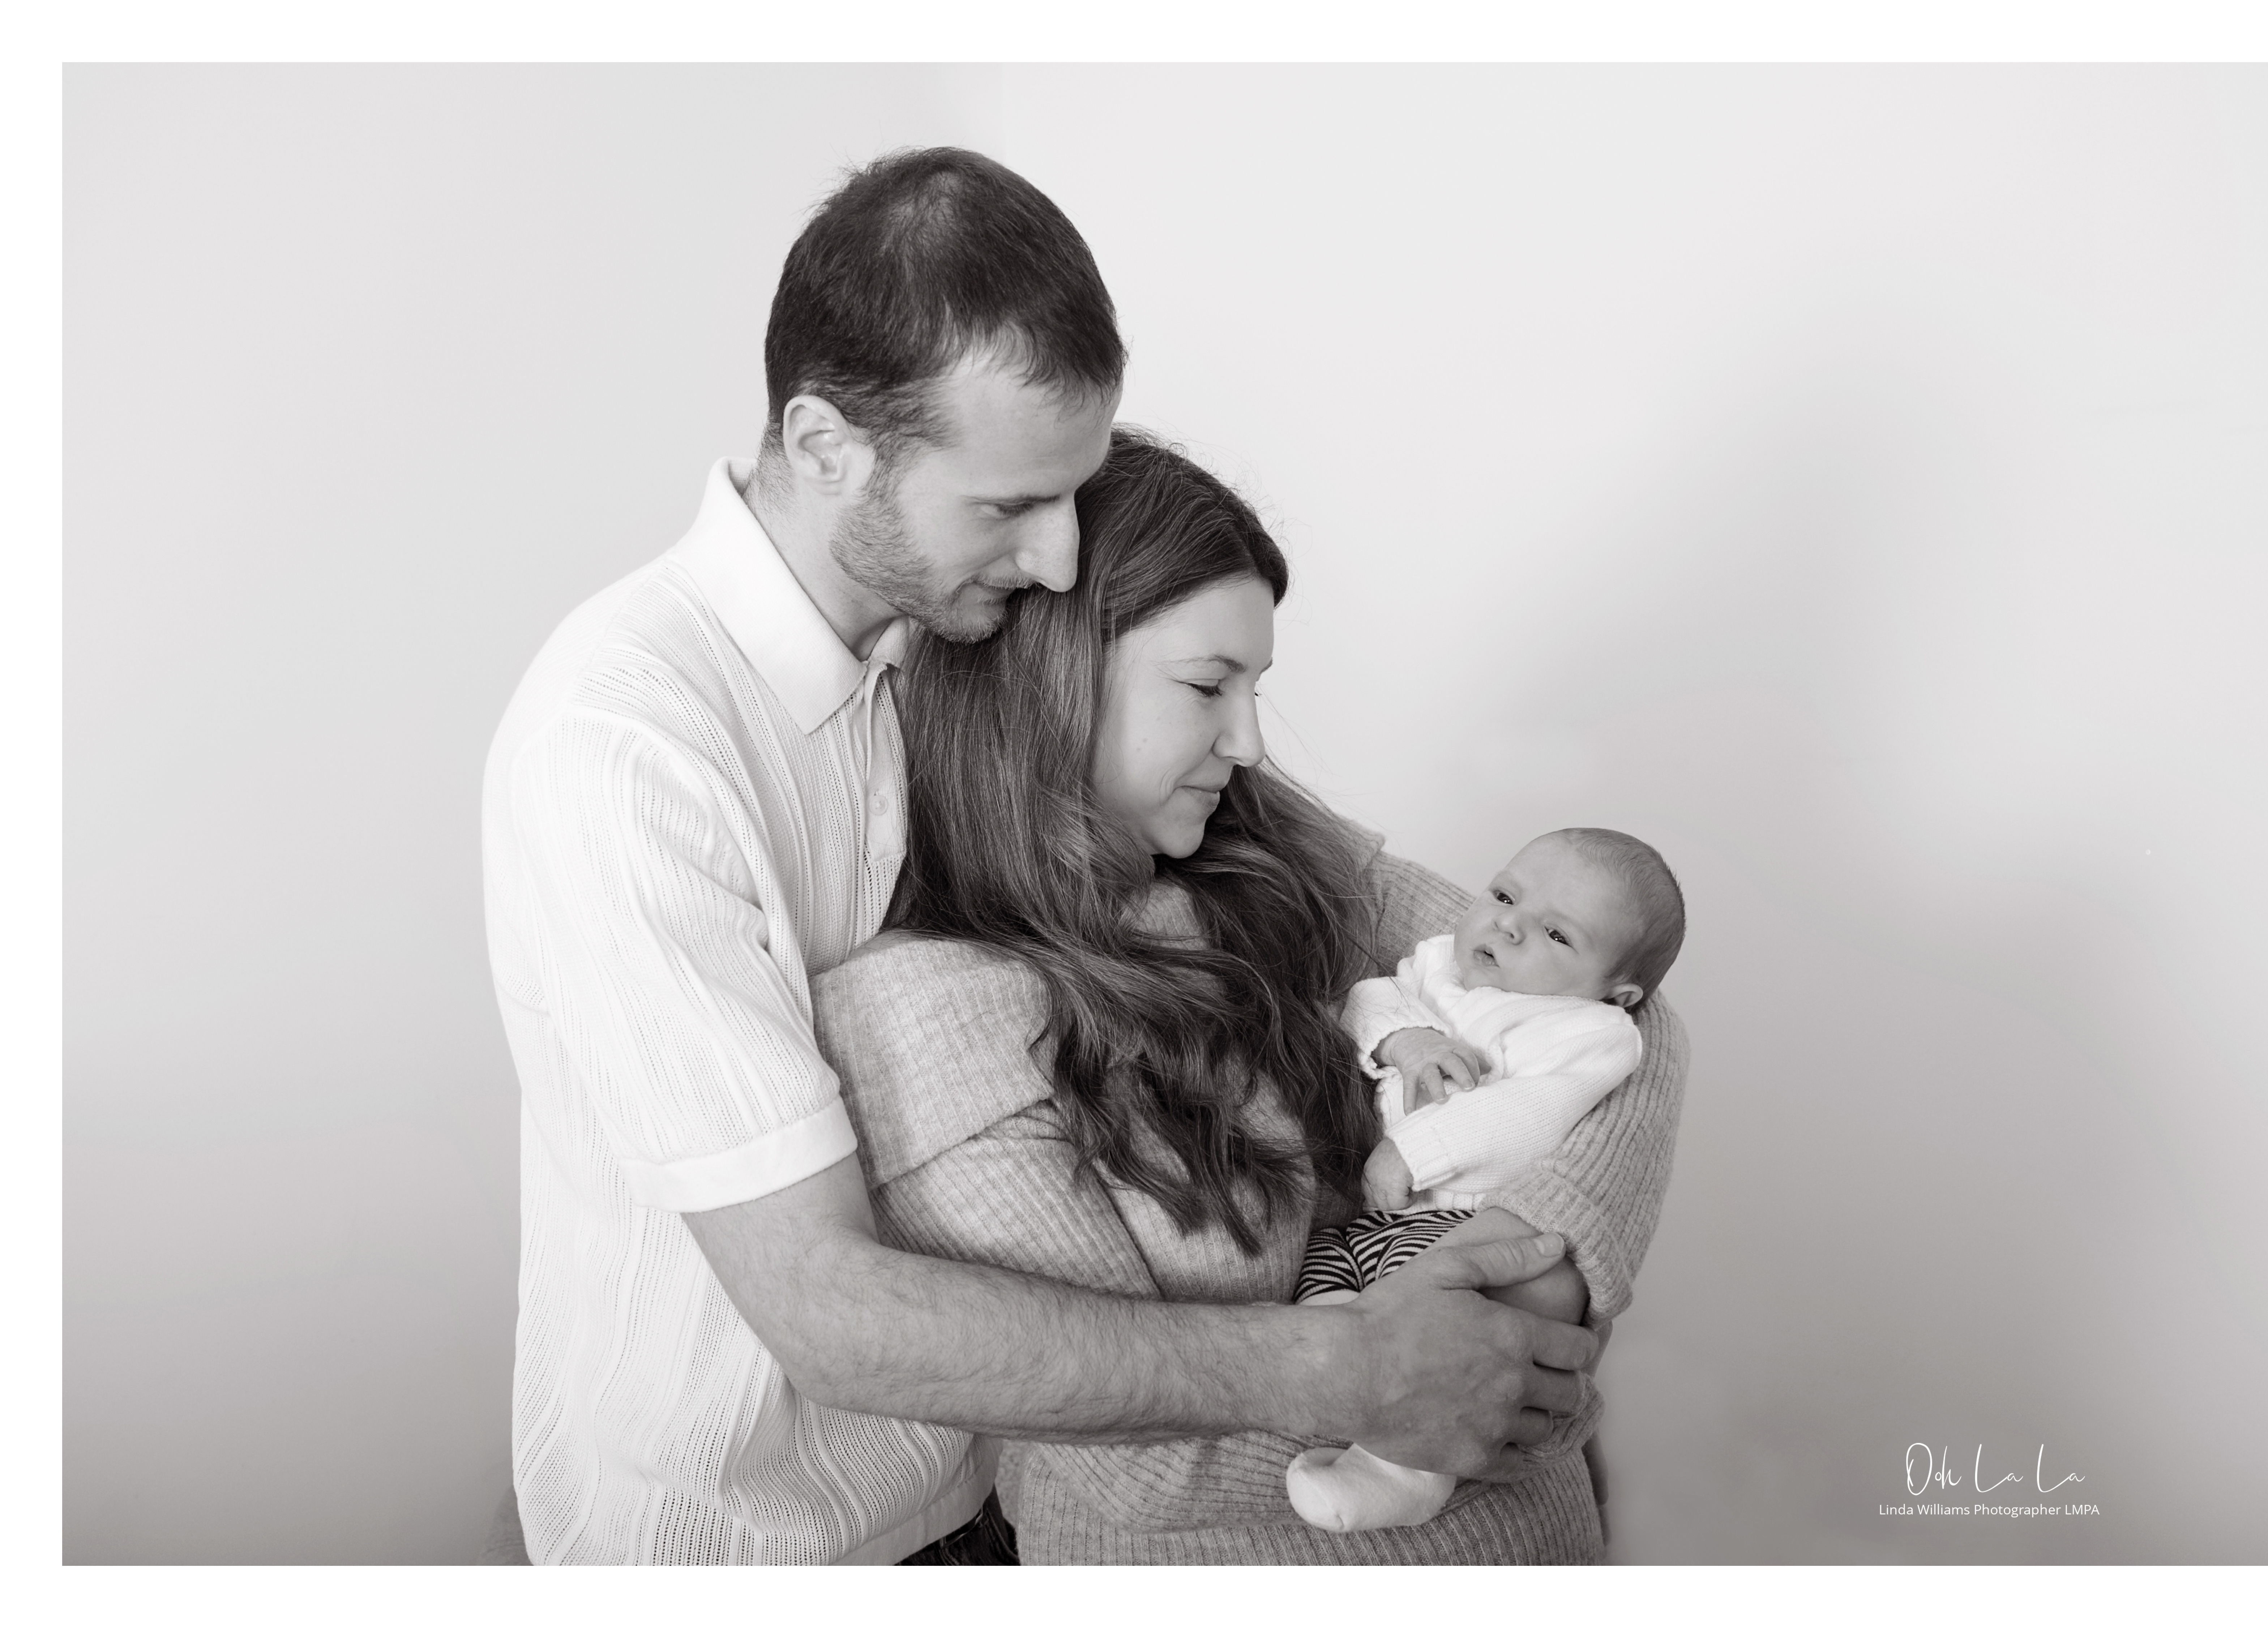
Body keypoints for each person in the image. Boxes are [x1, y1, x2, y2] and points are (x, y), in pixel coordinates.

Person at [481, 147, 1611, 1565]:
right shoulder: (628, 751)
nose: (1066, 557)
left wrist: (1557, 1218)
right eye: (1012, 505)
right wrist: (1358, 1368)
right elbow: (822, 1306)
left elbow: (1590, 973)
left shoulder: (972, 637)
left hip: (994, 1484)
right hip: (746, 1538)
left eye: (1073, 492)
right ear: (826, 447)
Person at [811, 430, 1690, 1562]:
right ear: (1049, 687)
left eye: (1257, 685)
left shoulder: (1257, 835)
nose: (1251, 740)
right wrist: (1395, 1378)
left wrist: (1537, 1296)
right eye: (1206, 686)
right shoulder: (929, 1019)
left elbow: (1624, 1011)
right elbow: (1124, 1463)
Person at [1288, 826, 1689, 1532]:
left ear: (1617, 992)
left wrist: (1414, 1152)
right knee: (1322, 1282)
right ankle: (1325, 1373)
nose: (1508, 922)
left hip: (1456, 1222)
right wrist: (1408, 1039)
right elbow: (1368, 998)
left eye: (1556, 935)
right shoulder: (1438, 963)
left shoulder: (1589, 1034)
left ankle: (1402, 1470)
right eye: (1504, 893)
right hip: (1360, 1215)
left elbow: (1525, 1116)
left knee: (1446, 1334)